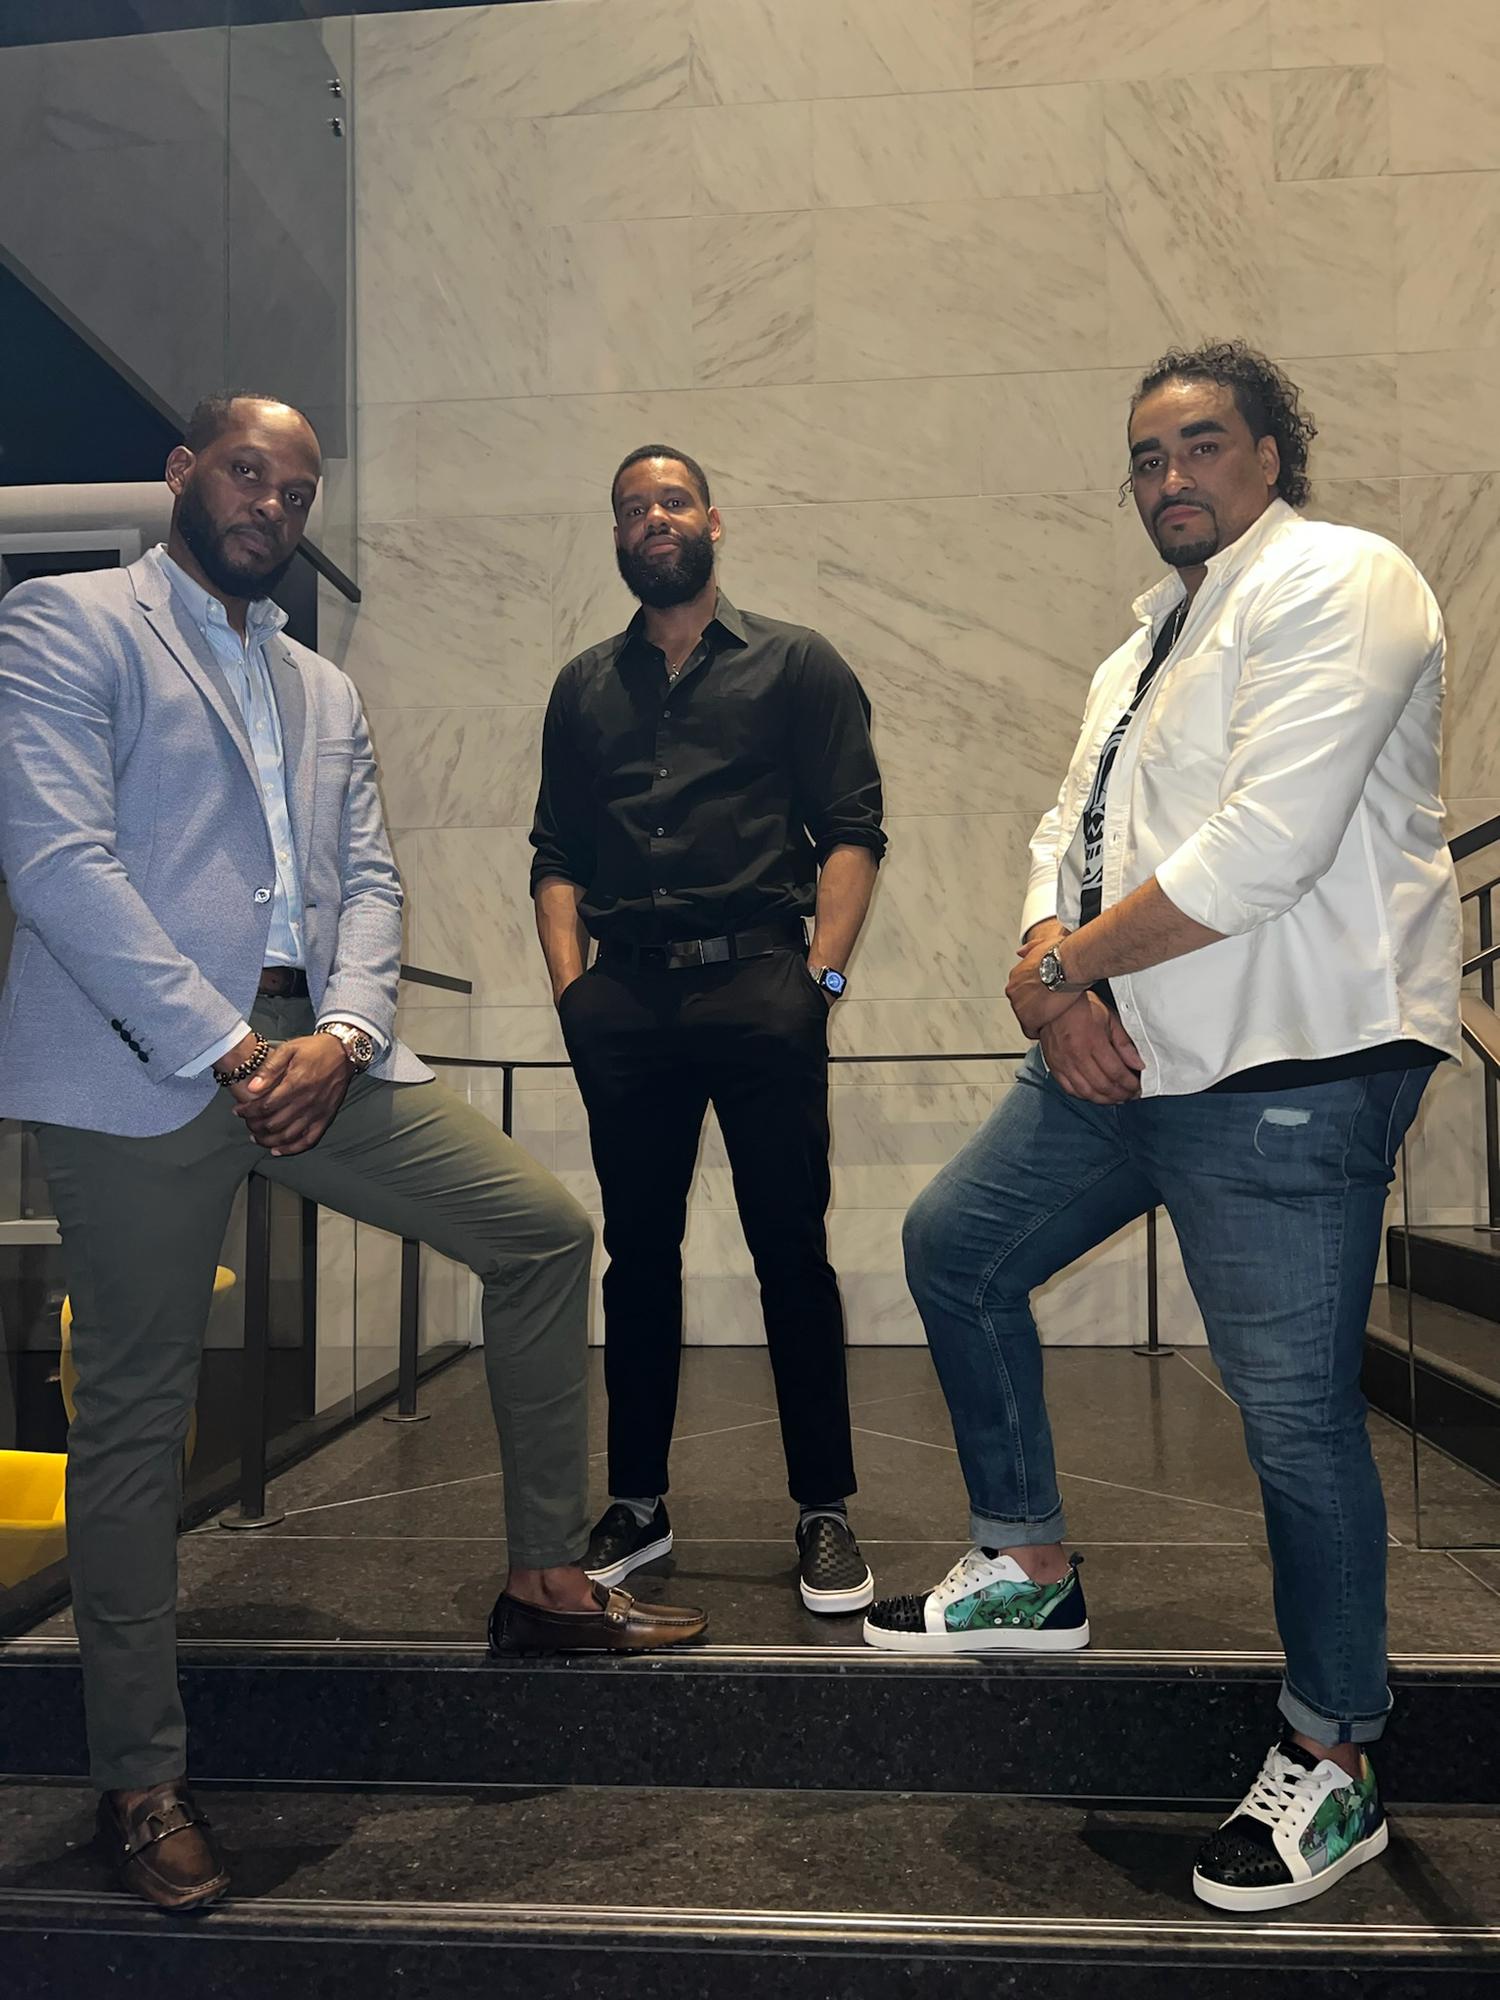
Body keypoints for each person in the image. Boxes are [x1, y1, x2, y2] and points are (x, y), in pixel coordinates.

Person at [0, 395, 706, 1916]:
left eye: (297, 489)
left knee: (538, 1232)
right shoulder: (69, 623)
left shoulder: (322, 685)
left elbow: (371, 879)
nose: (270, 503)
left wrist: (345, 1035)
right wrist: (229, 1048)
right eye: (246, 472)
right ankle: (139, 1777)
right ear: (184, 475)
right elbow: (59, 860)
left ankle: (545, 1580)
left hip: (319, 1061)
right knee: (135, 1422)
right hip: (141, 1068)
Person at [864, 343, 1462, 1913]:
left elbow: (1267, 845)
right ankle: (1029, 1565)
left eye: (1202, 443)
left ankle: (1334, 1757)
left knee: (1293, 1420)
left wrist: (1064, 972)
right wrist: (1051, 979)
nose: (1171, 475)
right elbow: (1069, 834)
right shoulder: (1145, 641)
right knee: (957, 1247)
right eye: (1146, 455)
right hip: (1124, 1057)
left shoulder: (1344, 580)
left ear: (1271, 454)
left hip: (1292, 1064)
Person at [530, 445, 887, 1617]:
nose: (654, 518)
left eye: (672, 500)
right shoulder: (584, 686)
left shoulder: (797, 664)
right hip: (626, 1001)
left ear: (713, 521)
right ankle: (637, 1503)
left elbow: (851, 829)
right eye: (633, 507)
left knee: (792, 1252)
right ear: (617, 535)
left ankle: (824, 1508)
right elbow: (556, 853)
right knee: (637, 1257)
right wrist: (574, 994)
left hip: (762, 987)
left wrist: (818, 982)